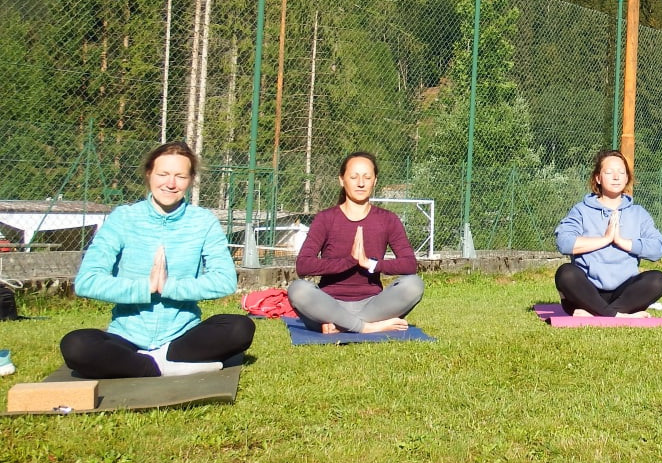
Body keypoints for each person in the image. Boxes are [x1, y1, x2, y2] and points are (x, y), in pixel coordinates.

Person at [61, 141, 254, 378]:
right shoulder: (124, 218)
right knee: (76, 345)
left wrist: (169, 287)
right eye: (163, 174)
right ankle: (156, 367)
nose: (170, 184)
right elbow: (87, 281)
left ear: (191, 179)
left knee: (240, 328)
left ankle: (147, 364)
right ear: (149, 173)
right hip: (126, 338)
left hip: (182, 339)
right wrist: (147, 287)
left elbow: (225, 281)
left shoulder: (203, 221)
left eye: (180, 176)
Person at [287, 151, 424, 334]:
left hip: (372, 306)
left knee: (414, 285)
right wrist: (349, 261)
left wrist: (371, 264)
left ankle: (344, 326)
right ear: (342, 180)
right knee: (298, 289)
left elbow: (409, 264)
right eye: (354, 177)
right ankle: (366, 328)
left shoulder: (388, 219)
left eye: (367, 177)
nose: (361, 183)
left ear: (375, 181)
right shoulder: (326, 219)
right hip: (328, 307)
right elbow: (303, 265)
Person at [554, 149, 662, 317]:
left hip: (624, 293)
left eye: (621, 172)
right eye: (609, 172)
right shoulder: (581, 210)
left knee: (658, 280)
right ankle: (618, 315)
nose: (616, 177)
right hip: (587, 291)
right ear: (598, 178)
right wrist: (606, 239)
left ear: (627, 178)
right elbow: (564, 242)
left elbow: (657, 249)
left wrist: (621, 241)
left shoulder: (638, 213)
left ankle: (598, 313)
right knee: (566, 273)